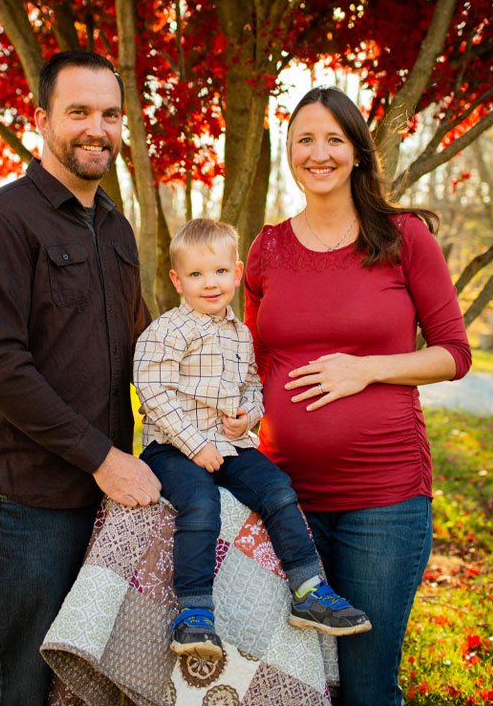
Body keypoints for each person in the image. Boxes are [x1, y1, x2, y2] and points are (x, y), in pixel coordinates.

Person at [243, 86, 471, 706]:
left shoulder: (403, 237)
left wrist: (366, 370)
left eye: (334, 139)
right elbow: (254, 362)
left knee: (367, 692)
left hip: (385, 501)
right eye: (305, 140)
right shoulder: (265, 250)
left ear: (358, 152)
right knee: (296, 686)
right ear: (289, 152)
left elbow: (455, 353)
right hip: (283, 501)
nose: (319, 153)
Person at [0, 50, 162, 706]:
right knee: (23, 685)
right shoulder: (3, 223)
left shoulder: (116, 229)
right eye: (78, 112)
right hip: (24, 498)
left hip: (104, 496)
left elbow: (142, 342)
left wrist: (204, 403)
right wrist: (103, 459)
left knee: (81, 686)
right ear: (41, 119)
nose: (95, 129)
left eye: (109, 114)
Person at [135, 218, 371, 660]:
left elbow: (250, 385)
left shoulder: (242, 333)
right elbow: (153, 391)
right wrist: (194, 444)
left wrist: (248, 418)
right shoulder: (166, 331)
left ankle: (308, 590)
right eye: (197, 274)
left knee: (278, 489)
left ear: (238, 272)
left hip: (229, 444)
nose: (210, 283)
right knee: (201, 503)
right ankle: (194, 613)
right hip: (171, 447)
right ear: (177, 280)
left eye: (221, 272)